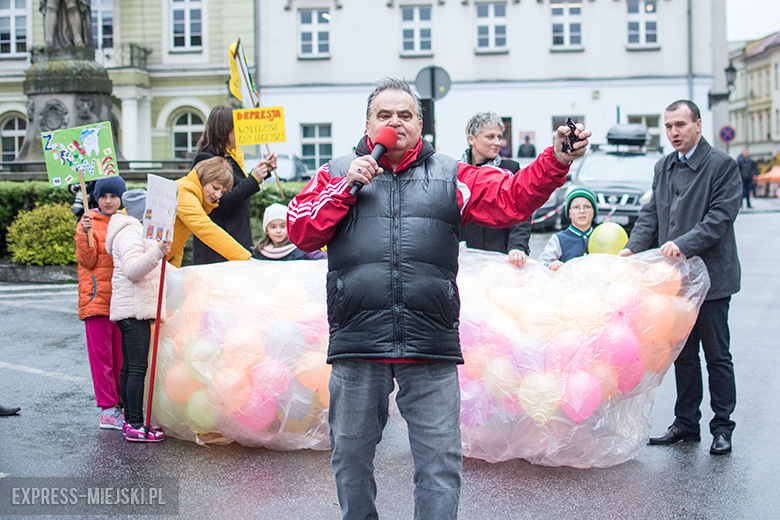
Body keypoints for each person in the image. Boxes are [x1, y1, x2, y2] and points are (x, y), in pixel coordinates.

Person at [287, 78, 590, 519]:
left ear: (420, 125)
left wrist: (556, 158)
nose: (395, 122)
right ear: (367, 125)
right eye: (384, 115)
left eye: (405, 115)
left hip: (429, 342)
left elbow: (513, 198)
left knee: (440, 463)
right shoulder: (336, 172)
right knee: (351, 459)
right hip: (358, 342)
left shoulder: (451, 175)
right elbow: (300, 230)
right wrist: (345, 188)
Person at [618, 100, 741, 456]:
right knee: (683, 355)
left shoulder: (721, 165)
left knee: (716, 355)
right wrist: (633, 247)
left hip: (712, 279)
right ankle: (686, 424)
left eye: (680, 125)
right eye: (669, 126)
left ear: (698, 125)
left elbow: (720, 217)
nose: (674, 132)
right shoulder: (664, 166)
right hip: (673, 281)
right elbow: (651, 214)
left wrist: (683, 244)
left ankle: (722, 427)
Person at [105, 189, 170, 442]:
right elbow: (133, 270)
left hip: (134, 308)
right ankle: (135, 424)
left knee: (130, 367)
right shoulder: (130, 232)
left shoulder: (135, 231)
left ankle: (130, 421)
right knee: (137, 369)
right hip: (134, 309)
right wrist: (157, 252)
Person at [191, 105, 277, 264]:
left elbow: (238, 186)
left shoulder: (233, 156)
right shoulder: (205, 159)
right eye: (237, 128)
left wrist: (264, 171)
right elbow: (221, 201)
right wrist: (254, 179)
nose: (241, 133)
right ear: (223, 130)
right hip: (218, 245)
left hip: (237, 236)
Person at [75, 176, 126, 430]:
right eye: (103, 196)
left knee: (122, 358)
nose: (108, 201)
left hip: (122, 299)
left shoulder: (127, 221)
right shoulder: (87, 222)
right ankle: (108, 410)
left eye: (113, 196)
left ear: (121, 198)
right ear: (96, 197)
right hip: (96, 300)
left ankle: (122, 405)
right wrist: (84, 233)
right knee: (102, 358)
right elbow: (87, 261)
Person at [459, 111, 531, 266]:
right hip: (465, 259)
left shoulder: (510, 169)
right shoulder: (457, 172)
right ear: (472, 139)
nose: (498, 142)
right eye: (490, 137)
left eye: (499, 137)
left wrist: (518, 246)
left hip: (502, 257)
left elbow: (521, 213)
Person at [167, 156, 253, 268]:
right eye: (215, 188)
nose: (218, 195)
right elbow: (204, 227)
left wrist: (172, 270)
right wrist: (246, 258)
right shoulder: (184, 190)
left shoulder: (188, 191)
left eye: (222, 192)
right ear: (204, 179)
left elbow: (178, 241)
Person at [538, 187, 597, 271]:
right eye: (576, 207)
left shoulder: (601, 236)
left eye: (587, 207)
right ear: (569, 213)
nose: (582, 211)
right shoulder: (559, 239)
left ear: (594, 211)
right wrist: (551, 266)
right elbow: (541, 264)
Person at [252, 203, 327, 261]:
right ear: (266, 230)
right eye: (273, 227)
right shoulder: (259, 252)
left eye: (283, 226)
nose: (278, 231)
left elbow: (321, 257)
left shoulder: (301, 249)